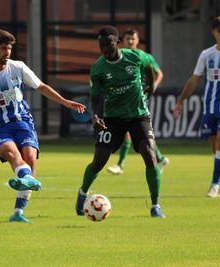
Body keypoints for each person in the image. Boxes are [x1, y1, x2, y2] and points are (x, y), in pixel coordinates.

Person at [0, 29, 86, 223]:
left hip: (23, 122)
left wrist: (66, 102)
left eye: (9, 48)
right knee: (11, 153)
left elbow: (41, 86)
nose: (7, 52)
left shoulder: (18, 67)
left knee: (30, 158)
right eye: (3, 48)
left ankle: (18, 212)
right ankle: (27, 178)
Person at [75, 25, 165, 218]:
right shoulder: (98, 68)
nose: (105, 50)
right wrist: (96, 115)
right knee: (99, 162)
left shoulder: (135, 56)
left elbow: (148, 68)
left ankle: (156, 205)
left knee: (149, 154)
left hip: (138, 115)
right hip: (113, 119)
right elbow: (96, 96)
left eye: (108, 45)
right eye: (101, 46)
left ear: (117, 43)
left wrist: (149, 86)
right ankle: (82, 193)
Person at [107, 28, 170, 175]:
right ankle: (160, 158)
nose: (130, 41)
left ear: (137, 41)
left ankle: (120, 165)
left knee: (129, 129)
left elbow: (158, 73)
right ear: (122, 41)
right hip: (123, 97)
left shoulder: (144, 56)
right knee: (139, 133)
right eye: (127, 38)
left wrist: (153, 86)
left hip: (138, 97)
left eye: (132, 39)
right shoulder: (119, 56)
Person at [173, 16, 220, 198]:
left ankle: (214, 185)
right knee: (214, 147)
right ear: (214, 32)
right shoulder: (206, 55)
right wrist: (181, 101)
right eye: (219, 30)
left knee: (219, 144)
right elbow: (194, 79)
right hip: (210, 107)